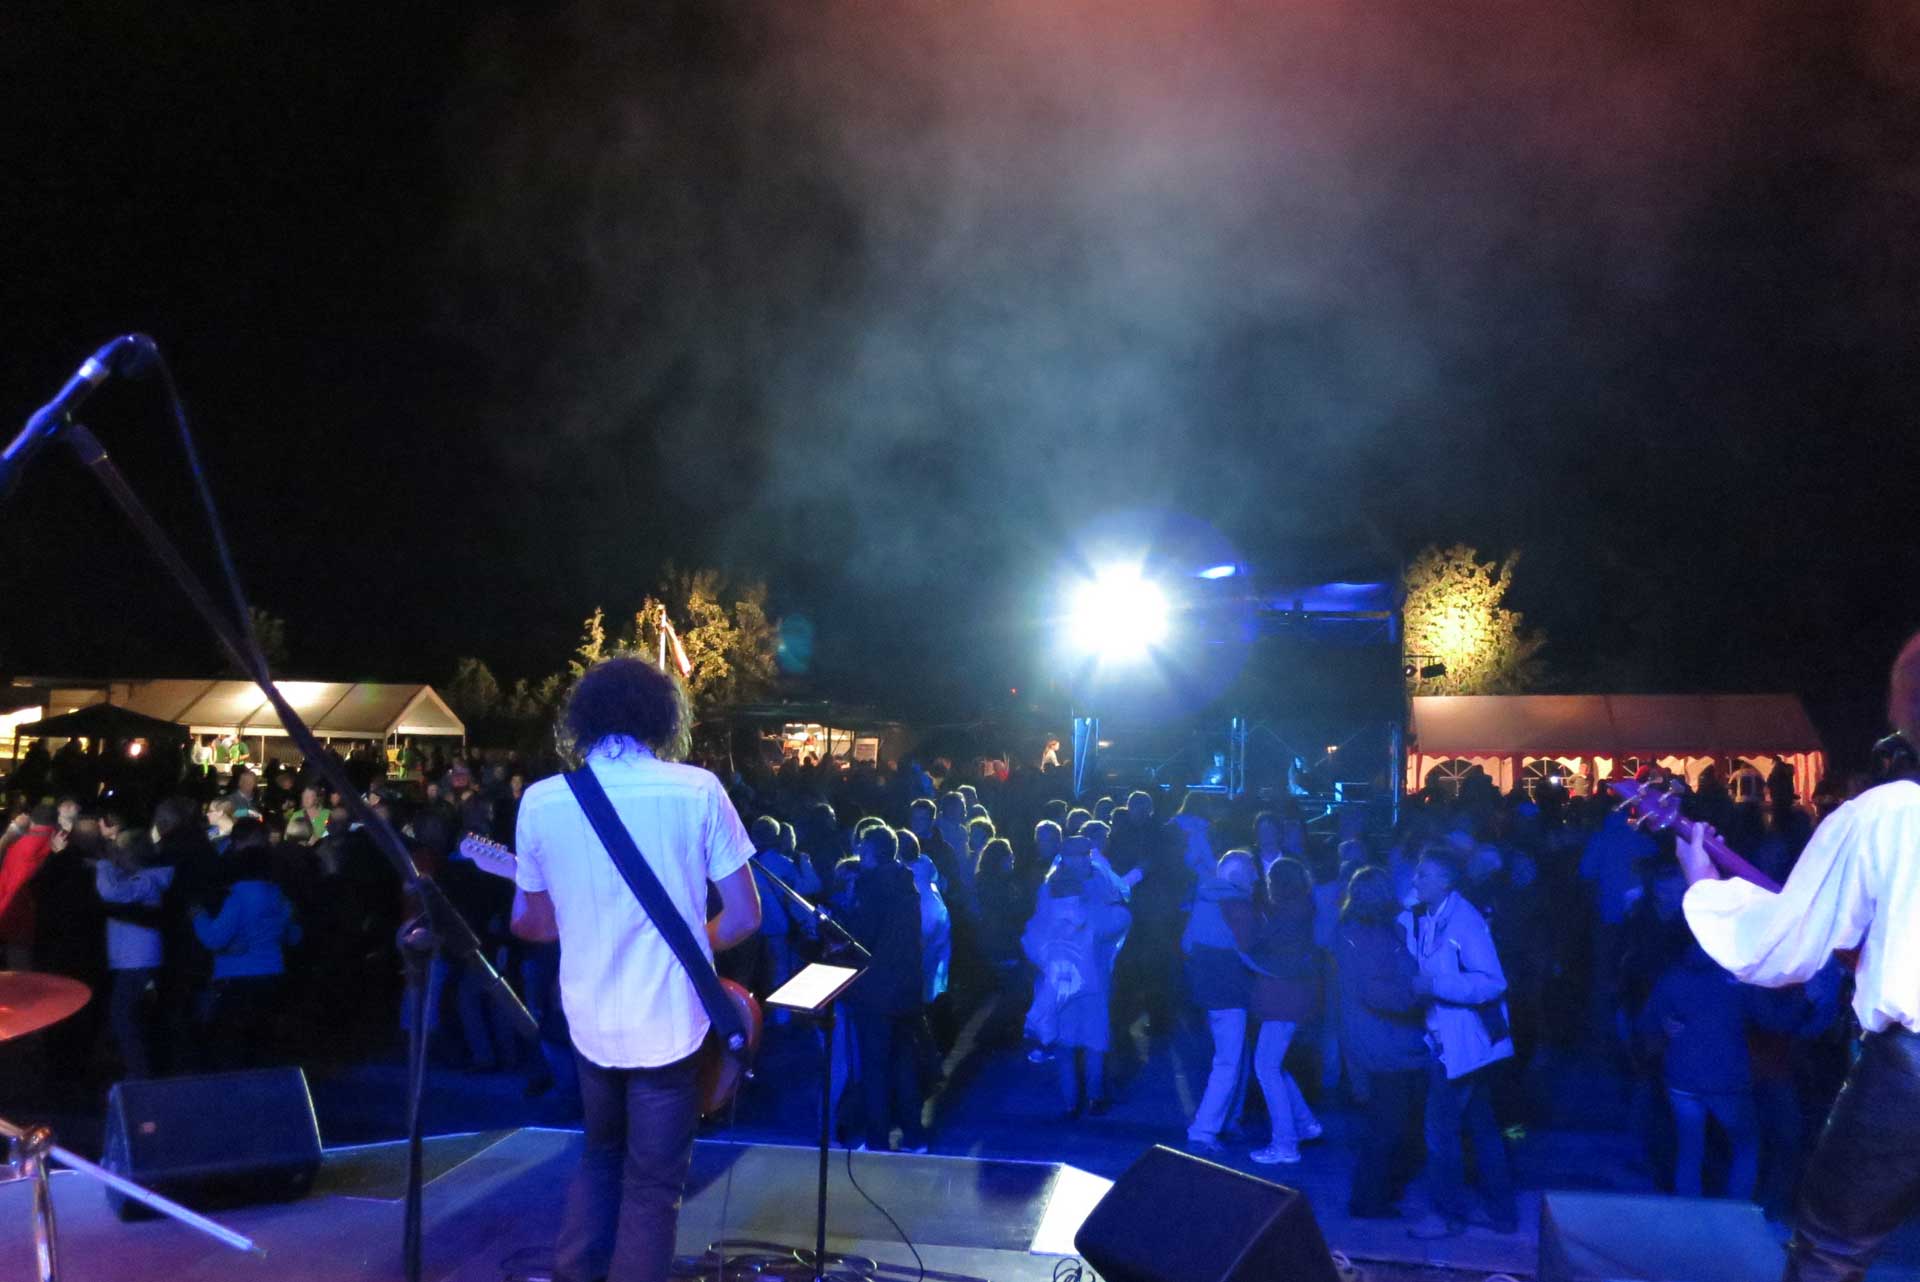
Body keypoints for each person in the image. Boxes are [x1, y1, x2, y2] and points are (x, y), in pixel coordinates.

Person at [1673, 628, 1920, 1281]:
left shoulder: (1889, 814)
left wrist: (1703, 883)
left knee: (1831, 1253)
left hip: (1912, 1071)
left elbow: (1783, 948)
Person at [509, 656, 761, 1282]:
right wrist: (689, 946)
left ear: (583, 718)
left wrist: (585, 917)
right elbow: (744, 916)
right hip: (669, 1021)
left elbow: (530, 924)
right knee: (652, 1187)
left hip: (590, 1020)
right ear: (664, 716)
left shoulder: (541, 800)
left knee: (599, 1157)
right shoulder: (698, 790)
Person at [1407, 844, 1517, 1238]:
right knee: (1482, 1129)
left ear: (1445, 881)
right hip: (1456, 1044)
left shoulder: (1465, 922)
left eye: (1423, 874)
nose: (1415, 880)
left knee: (1441, 1134)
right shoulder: (1432, 916)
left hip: (1462, 1048)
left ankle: (1446, 1215)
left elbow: (1492, 982)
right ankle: (1500, 1213)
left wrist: (1435, 985)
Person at [1337, 867, 1431, 1219]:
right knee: (1389, 1126)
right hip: (1387, 1041)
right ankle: (1368, 1200)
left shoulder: (1351, 930)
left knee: (1389, 1121)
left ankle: (1381, 1191)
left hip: (1371, 1036)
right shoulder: (1373, 934)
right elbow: (1375, 989)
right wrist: (1417, 991)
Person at [1022, 836, 1130, 1118]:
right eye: (1077, 855)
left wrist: (1048, 964)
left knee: (1067, 1042)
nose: (1081, 860)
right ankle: (1091, 1098)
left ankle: (1073, 1102)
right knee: (1091, 1039)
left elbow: (1035, 934)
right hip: (1091, 977)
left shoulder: (1050, 888)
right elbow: (1114, 922)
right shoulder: (1095, 887)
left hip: (1062, 980)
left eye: (1084, 855)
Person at [1242, 857, 1323, 1164]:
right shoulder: (1301, 909)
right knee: (1273, 1064)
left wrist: (1248, 958)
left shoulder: (1288, 915)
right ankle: (1305, 1124)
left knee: (1266, 1067)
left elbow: (1279, 960)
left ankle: (1285, 1145)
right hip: (1294, 997)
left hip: (1283, 998)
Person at [1184, 850, 1259, 1153]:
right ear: (1237, 876)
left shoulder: (1204, 897)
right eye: (1251, 872)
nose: (1256, 876)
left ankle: (1229, 1119)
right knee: (1228, 1062)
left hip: (1212, 991)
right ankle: (1203, 1130)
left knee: (1235, 1057)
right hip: (1229, 992)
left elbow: (1186, 943)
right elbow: (1248, 951)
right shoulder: (1236, 904)